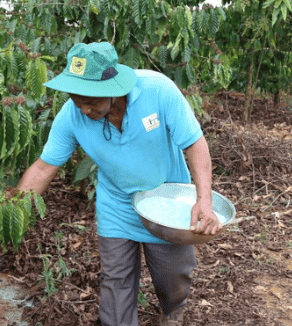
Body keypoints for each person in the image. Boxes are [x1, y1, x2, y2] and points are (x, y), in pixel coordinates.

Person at [16, 41, 222, 326]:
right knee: (117, 280)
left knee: (173, 276)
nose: (84, 110)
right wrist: (14, 212)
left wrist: (204, 200)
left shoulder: (158, 91)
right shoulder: (72, 115)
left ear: (114, 89)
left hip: (167, 203)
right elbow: (43, 167)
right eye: (78, 101)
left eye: (91, 102)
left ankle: (173, 310)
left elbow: (195, 144)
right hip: (118, 206)